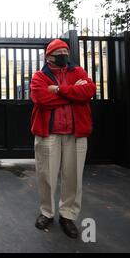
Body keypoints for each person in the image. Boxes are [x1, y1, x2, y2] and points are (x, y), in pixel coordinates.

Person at [30, 39, 96, 239]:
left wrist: (58, 89)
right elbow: (41, 99)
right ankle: (47, 212)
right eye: (59, 51)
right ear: (48, 56)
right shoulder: (39, 76)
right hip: (48, 133)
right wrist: (73, 92)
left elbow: (89, 91)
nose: (63, 54)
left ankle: (67, 215)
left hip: (76, 134)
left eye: (66, 51)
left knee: (73, 177)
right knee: (46, 175)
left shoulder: (79, 72)